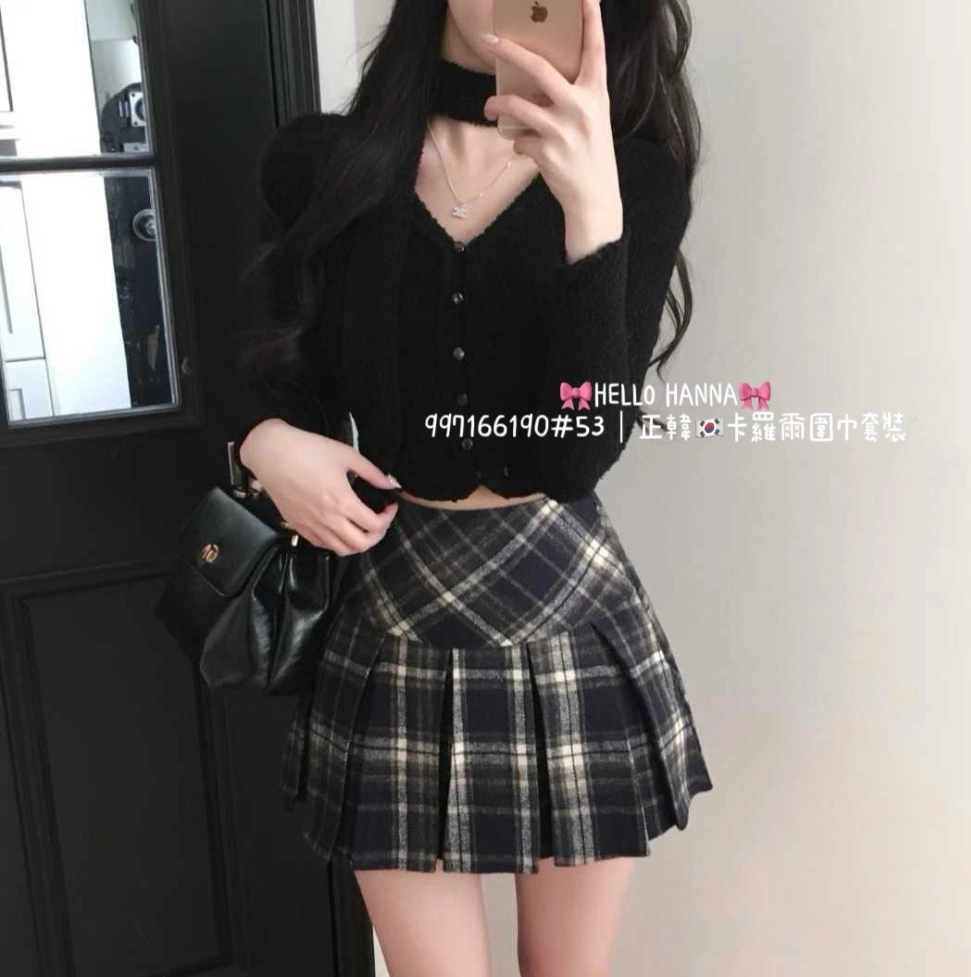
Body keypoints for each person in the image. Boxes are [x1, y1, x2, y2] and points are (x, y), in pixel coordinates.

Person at [234, 1, 713, 974]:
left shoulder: (635, 176)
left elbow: (575, 456)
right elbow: (280, 380)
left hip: (568, 615)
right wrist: (265, 443)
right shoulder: (321, 166)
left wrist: (593, 214)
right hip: (394, 617)